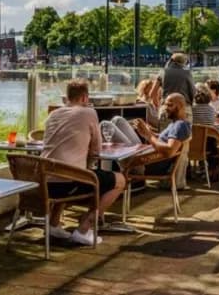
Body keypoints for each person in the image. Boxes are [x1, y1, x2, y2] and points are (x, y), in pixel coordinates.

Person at [41, 79, 126, 246]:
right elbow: (96, 150)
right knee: (120, 180)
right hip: (67, 184)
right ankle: (84, 229)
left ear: (67, 96)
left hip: (44, 181)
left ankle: (53, 224)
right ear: (85, 97)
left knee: (67, 168)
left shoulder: (53, 114)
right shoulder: (89, 113)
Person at [134, 93, 192, 177]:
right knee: (119, 122)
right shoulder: (176, 123)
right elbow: (164, 140)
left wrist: (149, 136)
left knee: (118, 121)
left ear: (180, 106)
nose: (165, 108)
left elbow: (169, 151)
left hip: (144, 164)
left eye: (169, 105)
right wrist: (148, 132)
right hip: (144, 159)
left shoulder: (180, 125)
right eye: (165, 105)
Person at [162, 53, 194, 125]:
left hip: (167, 107)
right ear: (183, 62)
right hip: (184, 107)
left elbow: (155, 89)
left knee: (165, 133)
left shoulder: (164, 72)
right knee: (185, 133)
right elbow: (192, 90)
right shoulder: (186, 73)